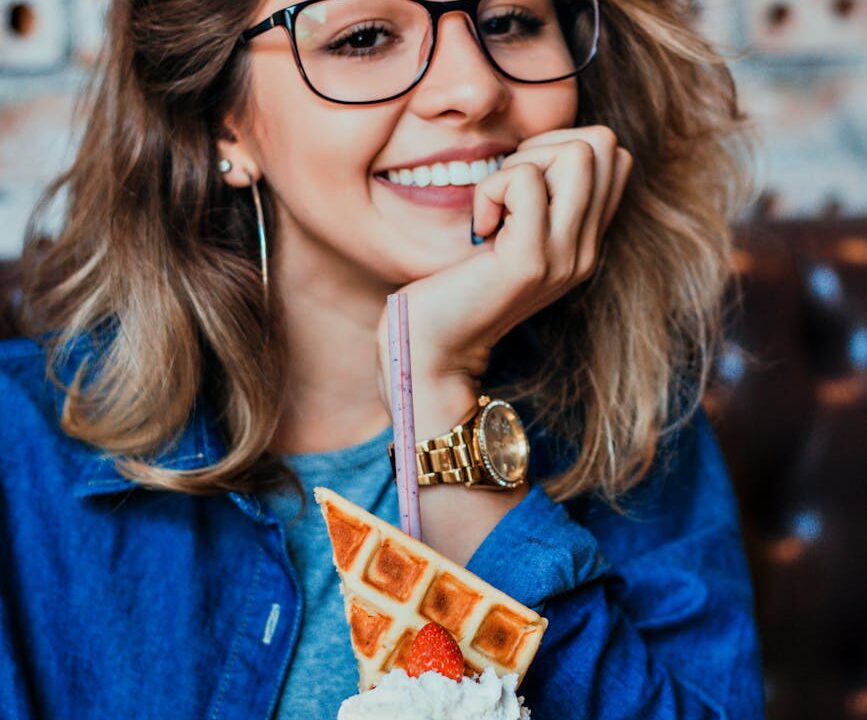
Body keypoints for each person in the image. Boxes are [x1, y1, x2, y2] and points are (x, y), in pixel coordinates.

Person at [0, 0, 765, 717]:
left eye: (508, 21)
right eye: (363, 37)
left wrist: (436, 392)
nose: (473, 88)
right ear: (219, 124)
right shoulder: (17, 450)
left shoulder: (631, 413)